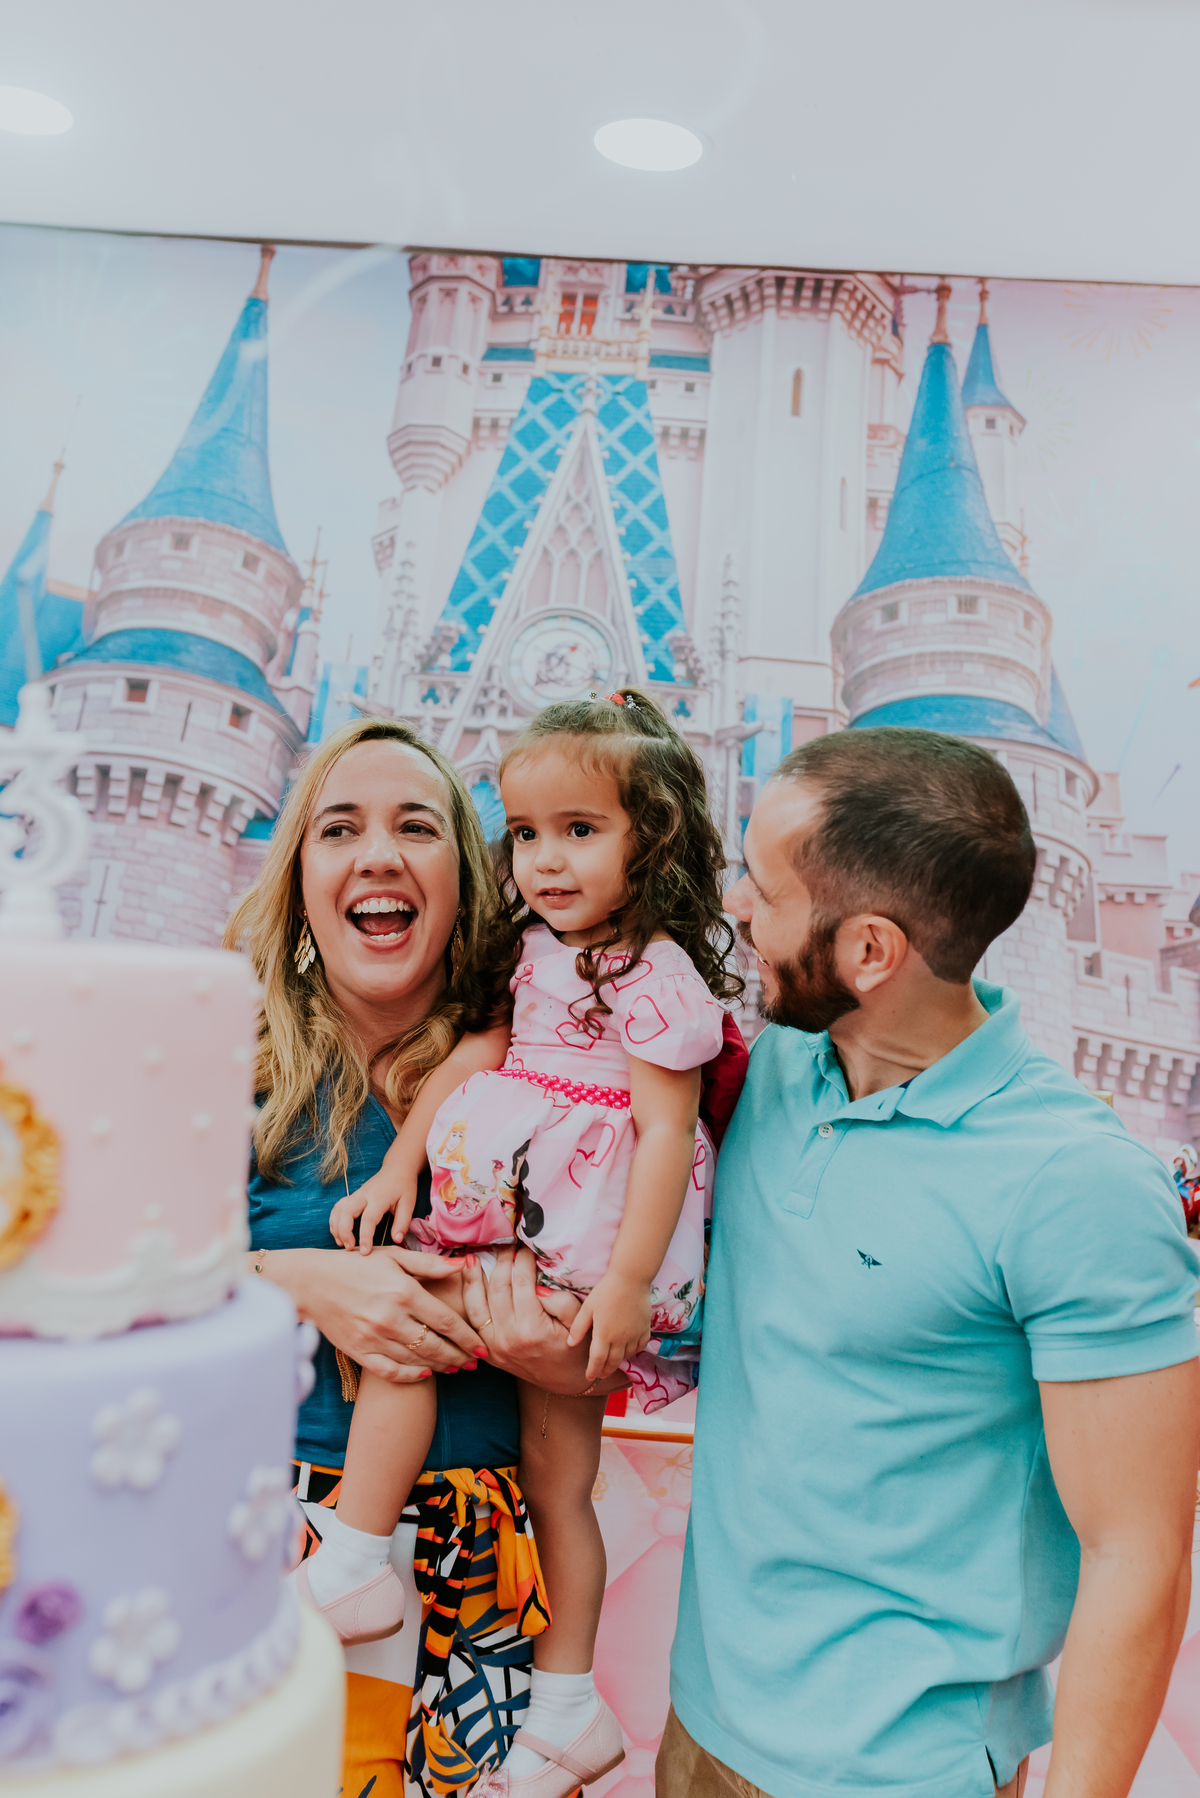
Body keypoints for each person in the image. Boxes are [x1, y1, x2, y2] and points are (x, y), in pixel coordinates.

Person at [661, 726, 1200, 1798]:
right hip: (698, 1729)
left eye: (762, 890)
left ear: (869, 950)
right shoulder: (773, 1068)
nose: (734, 906)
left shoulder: (1075, 1184)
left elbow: (1138, 1553)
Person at [311, 690, 744, 1798]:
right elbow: (470, 1063)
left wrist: (633, 1282)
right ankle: (374, 1562)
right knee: (405, 1337)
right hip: (495, 1205)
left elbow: (665, 1129)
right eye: (528, 834)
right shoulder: (536, 952)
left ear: (652, 838)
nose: (546, 860)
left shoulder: (659, 979)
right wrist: (403, 1162)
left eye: (581, 830)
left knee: (561, 1482)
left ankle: (557, 1696)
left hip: (583, 1240)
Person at [225, 716, 618, 1798]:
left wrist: (559, 1347)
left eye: (418, 826)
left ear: (471, 880)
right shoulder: (223, 1059)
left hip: (475, 1560)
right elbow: (102, 1285)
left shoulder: (556, 1082)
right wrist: (294, 1278)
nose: (380, 853)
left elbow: (645, 1311)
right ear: (301, 873)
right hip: (262, 1531)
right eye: (340, 827)